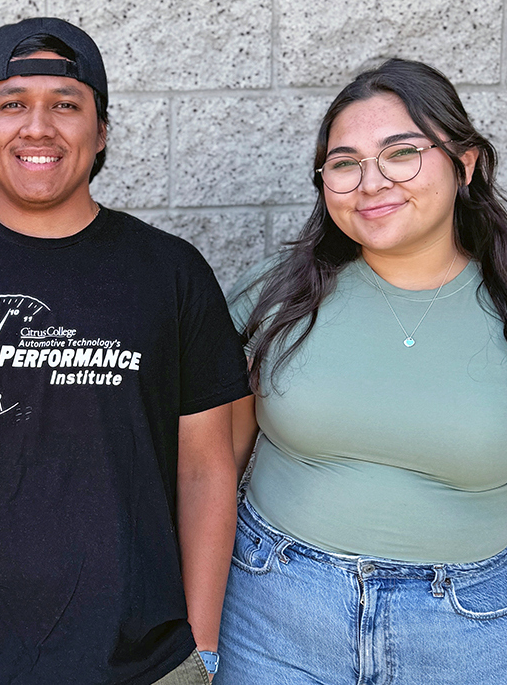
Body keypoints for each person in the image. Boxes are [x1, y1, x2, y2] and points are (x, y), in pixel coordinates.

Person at [0, 16, 250, 685]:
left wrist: (201, 652)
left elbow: (208, 469)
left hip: (142, 663)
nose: (38, 127)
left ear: (101, 133)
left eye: (66, 105)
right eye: (12, 105)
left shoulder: (171, 274)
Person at [217, 58, 507, 684]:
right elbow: (209, 460)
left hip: (473, 628)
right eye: (345, 163)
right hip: (273, 609)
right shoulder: (275, 295)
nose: (371, 183)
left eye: (401, 153)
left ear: (465, 164)